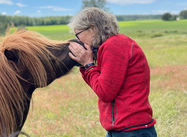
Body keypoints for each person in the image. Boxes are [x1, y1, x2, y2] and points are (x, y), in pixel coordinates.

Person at [67, 7, 157, 137]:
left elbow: (105, 93)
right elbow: (98, 85)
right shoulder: (113, 44)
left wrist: (88, 64)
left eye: (78, 34)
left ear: (92, 29)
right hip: (126, 129)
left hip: (130, 130)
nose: (78, 39)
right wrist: (85, 66)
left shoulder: (115, 46)